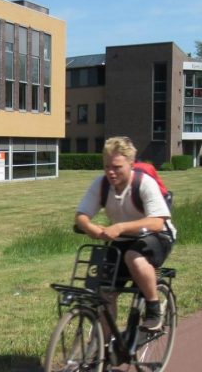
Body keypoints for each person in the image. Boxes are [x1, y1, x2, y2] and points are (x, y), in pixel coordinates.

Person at [74, 137, 176, 330]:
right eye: (107, 167)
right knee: (104, 290)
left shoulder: (144, 183)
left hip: (157, 236)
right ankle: (105, 343)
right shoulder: (102, 184)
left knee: (133, 256)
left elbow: (157, 222)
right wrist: (90, 227)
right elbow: (81, 215)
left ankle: (154, 309)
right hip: (122, 240)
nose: (111, 172)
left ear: (131, 164)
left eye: (117, 167)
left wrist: (120, 227)